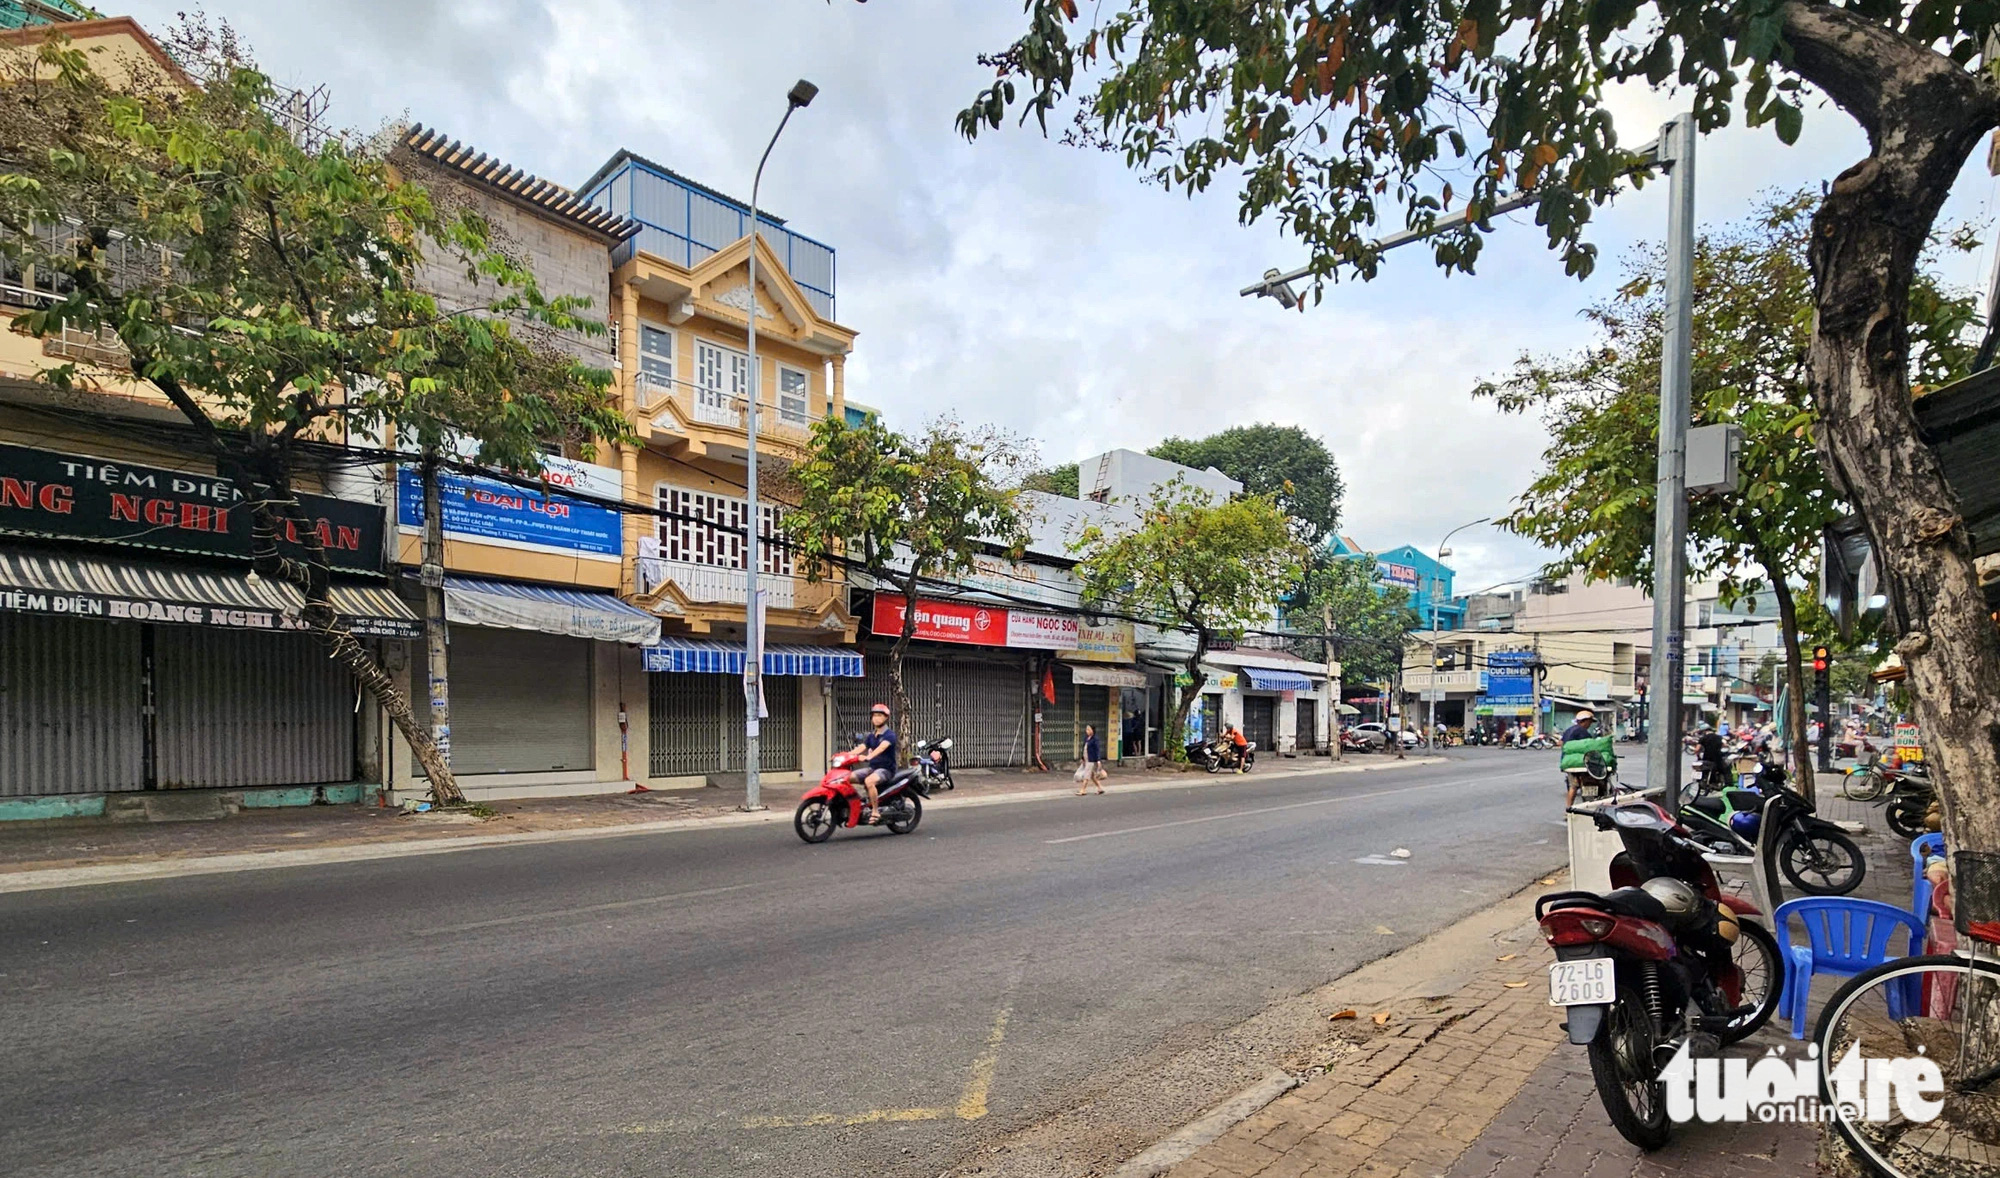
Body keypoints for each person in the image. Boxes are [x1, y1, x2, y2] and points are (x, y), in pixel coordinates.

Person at [844, 703, 898, 823]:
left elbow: (881, 748)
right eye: (874, 715)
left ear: (886, 718)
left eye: (879, 715)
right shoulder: (871, 736)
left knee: (869, 781)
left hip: (886, 769)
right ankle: (857, 803)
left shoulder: (889, 735)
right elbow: (861, 747)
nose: (876, 718)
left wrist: (869, 756)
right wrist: (846, 755)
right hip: (873, 768)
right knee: (846, 777)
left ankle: (875, 811)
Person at [1558, 707, 1616, 807]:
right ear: (1584, 721)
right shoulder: (1582, 731)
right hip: (1586, 764)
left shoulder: (1568, 730)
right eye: (1589, 722)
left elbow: (1561, 743)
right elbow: (1589, 747)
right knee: (1601, 781)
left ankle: (1568, 809)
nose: (1589, 725)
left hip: (1570, 765)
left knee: (1573, 787)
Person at [1077, 723, 1107, 795]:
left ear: (1092, 730)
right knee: (1092, 776)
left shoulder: (1095, 739)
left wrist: (1098, 760)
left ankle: (1083, 790)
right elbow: (1084, 748)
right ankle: (1100, 788)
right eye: (1086, 729)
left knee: (1086, 775)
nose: (1087, 731)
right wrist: (1083, 758)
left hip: (1091, 760)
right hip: (1086, 759)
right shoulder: (1086, 738)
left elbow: (1097, 750)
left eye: (1088, 729)